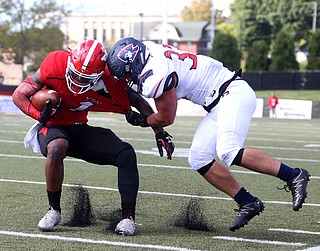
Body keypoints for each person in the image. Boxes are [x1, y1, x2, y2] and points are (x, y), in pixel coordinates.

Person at [106, 37, 311, 232]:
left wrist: (141, 120)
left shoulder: (157, 75)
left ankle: (293, 175)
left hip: (232, 93)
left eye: (127, 75)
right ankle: (247, 201)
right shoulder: (150, 50)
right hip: (217, 102)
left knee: (228, 150)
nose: (127, 80)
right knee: (198, 157)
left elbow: (167, 117)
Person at [12, 39, 174, 235]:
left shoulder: (111, 82)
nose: (78, 82)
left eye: (85, 79)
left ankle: (127, 218)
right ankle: (54, 210)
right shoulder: (55, 63)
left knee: (126, 155)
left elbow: (138, 101)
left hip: (79, 128)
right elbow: (19, 95)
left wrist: (160, 132)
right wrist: (40, 115)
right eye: (76, 75)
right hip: (54, 127)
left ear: (99, 75)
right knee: (57, 148)